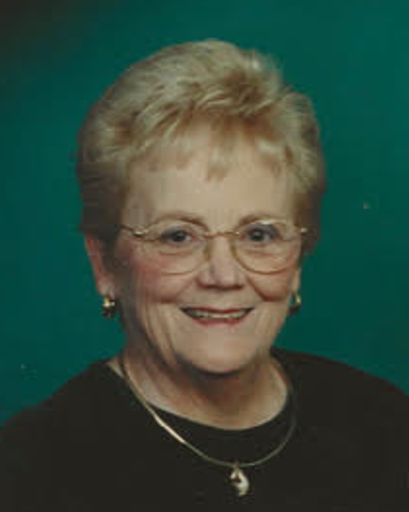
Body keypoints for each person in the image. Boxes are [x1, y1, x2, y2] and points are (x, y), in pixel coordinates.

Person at [0, 40, 407, 512]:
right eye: (178, 236)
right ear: (105, 265)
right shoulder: (30, 470)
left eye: (258, 234)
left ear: (297, 260)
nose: (223, 275)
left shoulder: (386, 427)